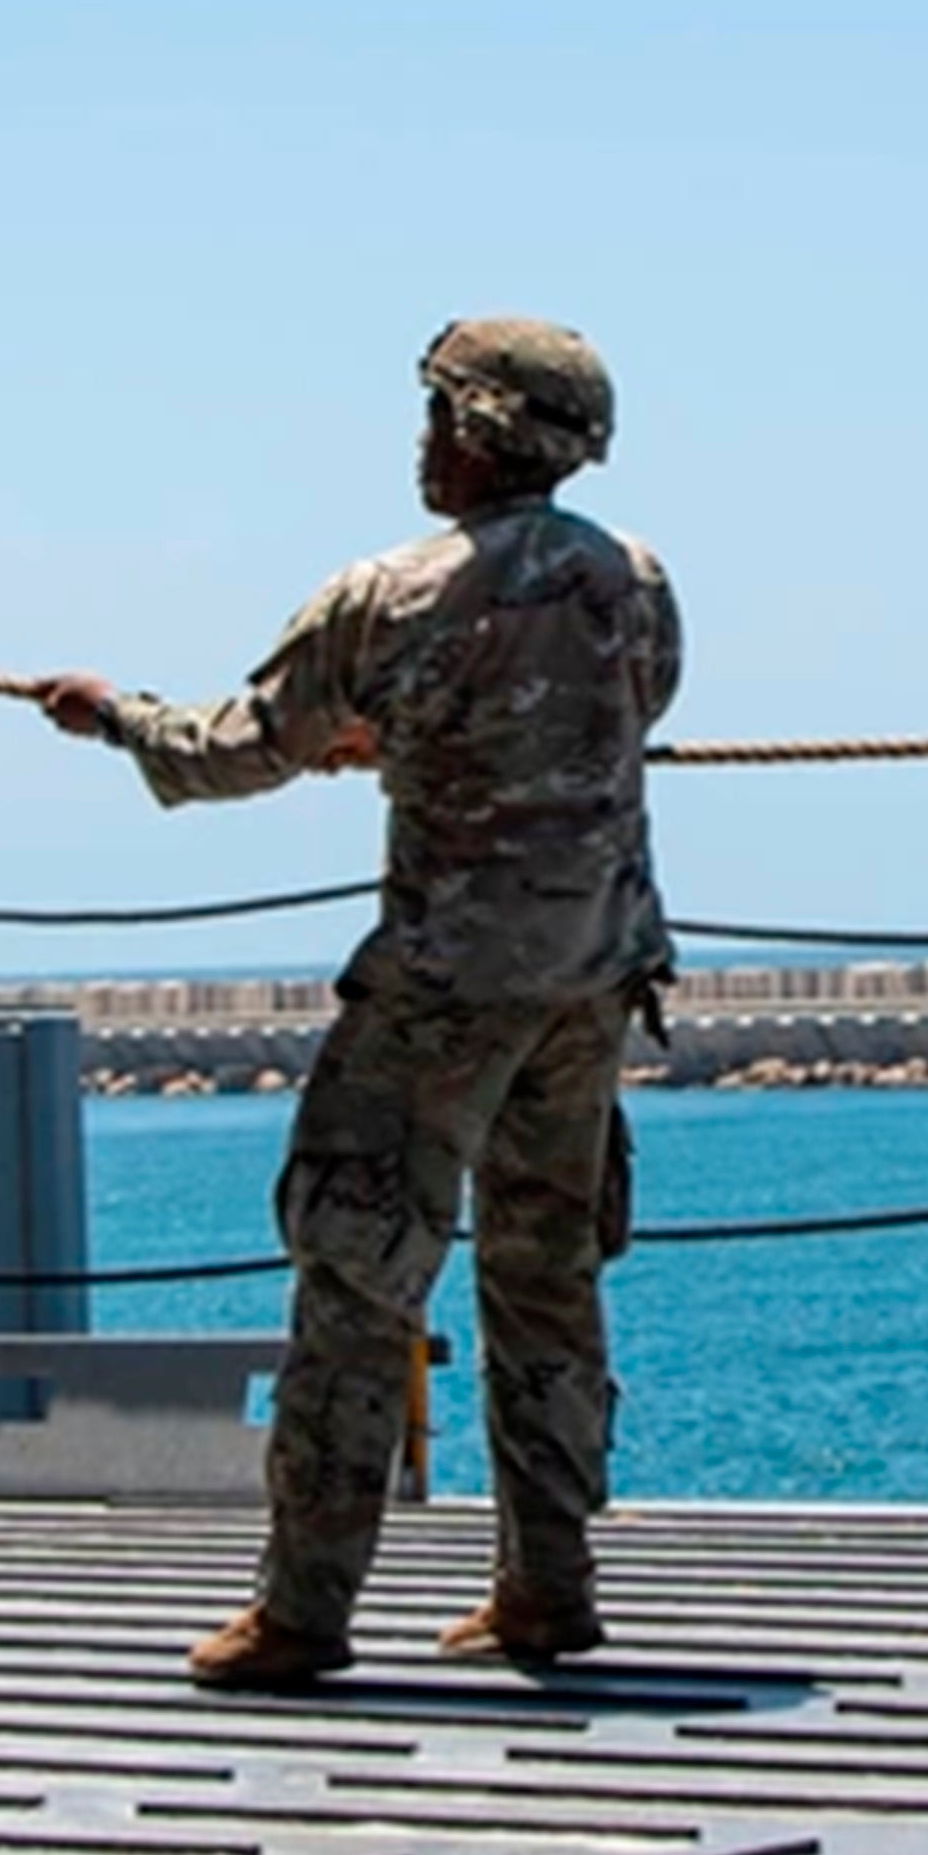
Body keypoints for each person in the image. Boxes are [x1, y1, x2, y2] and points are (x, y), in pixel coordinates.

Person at [37, 320, 681, 1692]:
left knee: (355, 1277)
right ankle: (549, 1589)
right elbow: (617, 710)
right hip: (591, 983)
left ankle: (305, 1610)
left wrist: (114, 715)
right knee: (549, 1282)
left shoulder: (386, 594)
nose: (422, 439)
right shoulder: (637, 580)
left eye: (438, 413)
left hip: (445, 990)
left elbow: (235, 751)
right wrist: (412, 732)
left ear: (477, 430)